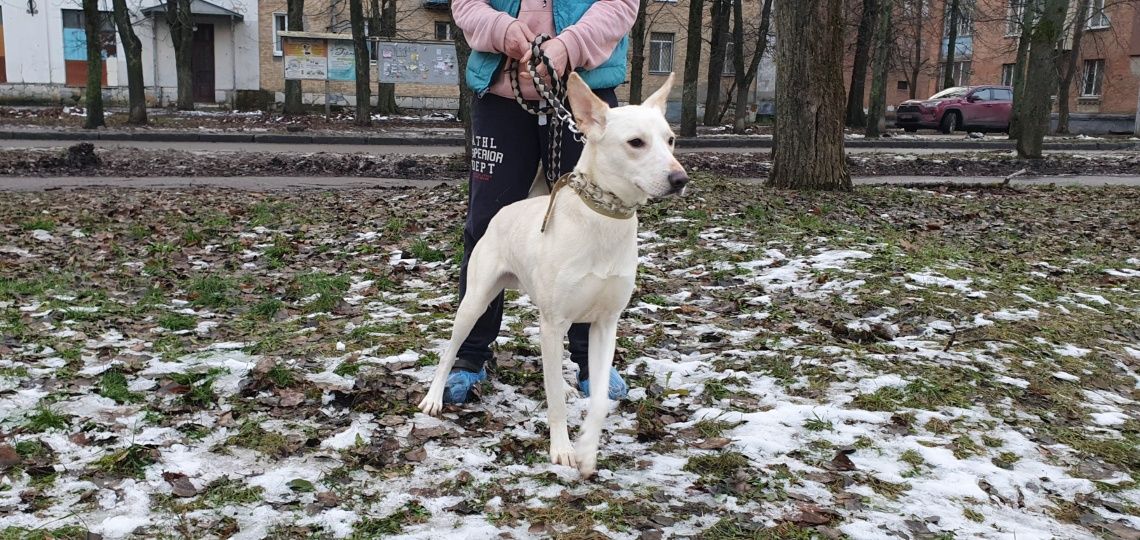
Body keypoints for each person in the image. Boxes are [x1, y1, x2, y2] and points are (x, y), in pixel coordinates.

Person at [445, 0, 639, 404]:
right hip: (501, 96)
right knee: (485, 227)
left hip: (586, 95)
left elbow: (620, 5)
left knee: (593, 225)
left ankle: (591, 360)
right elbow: (466, 5)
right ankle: (470, 356)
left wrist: (570, 46)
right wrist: (503, 31)